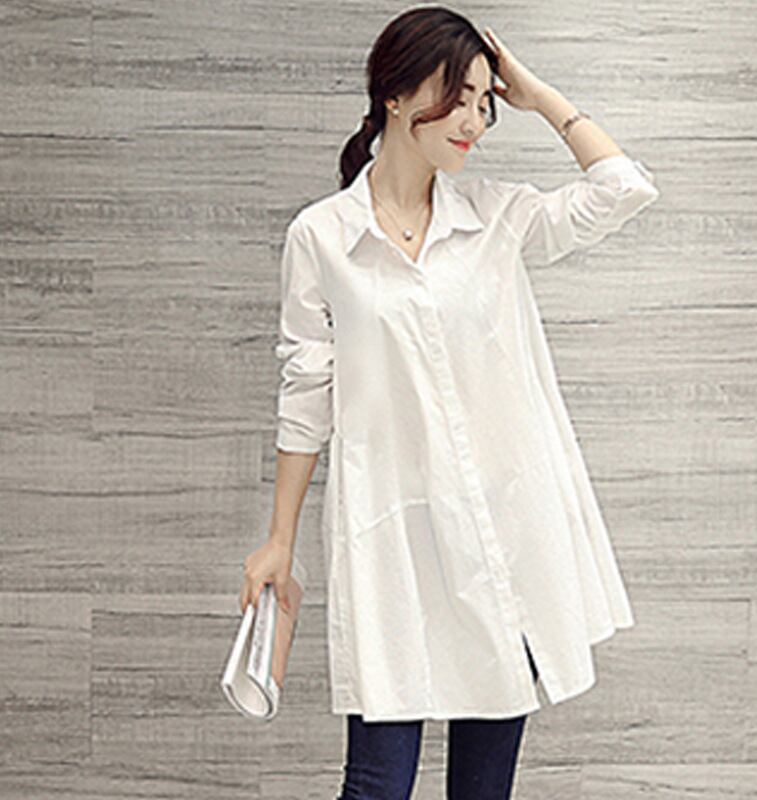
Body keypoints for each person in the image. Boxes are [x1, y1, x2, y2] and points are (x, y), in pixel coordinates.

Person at [240, 5, 660, 798]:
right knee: (377, 785)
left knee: (482, 791)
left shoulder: (497, 217)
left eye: (483, 103)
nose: (475, 121)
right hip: (393, 541)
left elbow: (623, 188)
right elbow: (305, 395)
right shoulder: (322, 237)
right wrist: (279, 541)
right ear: (395, 95)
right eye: (455, 98)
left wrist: (537, 95)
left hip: (499, 539)